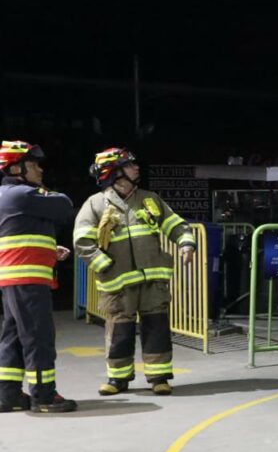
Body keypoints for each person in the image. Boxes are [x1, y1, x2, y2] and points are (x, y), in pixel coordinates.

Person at [74, 148, 196, 396]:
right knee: (120, 331)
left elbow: (175, 224)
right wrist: (104, 265)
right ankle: (117, 379)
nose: (136, 168)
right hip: (118, 285)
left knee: (157, 328)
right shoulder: (95, 205)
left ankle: (159, 377)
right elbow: (82, 242)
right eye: (130, 165)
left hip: (153, 281)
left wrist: (186, 242)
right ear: (115, 173)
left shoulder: (150, 199)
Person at [0, 141, 78, 413]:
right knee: (37, 336)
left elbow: (18, 235)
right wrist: (43, 192)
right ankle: (43, 396)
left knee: (12, 336)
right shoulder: (20, 194)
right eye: (34, 164)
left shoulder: (8, 196)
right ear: (15, 167)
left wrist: (48, 249)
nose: (40, 169)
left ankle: (8, 395)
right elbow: (64, 205)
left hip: (14, 279)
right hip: (28, 279)